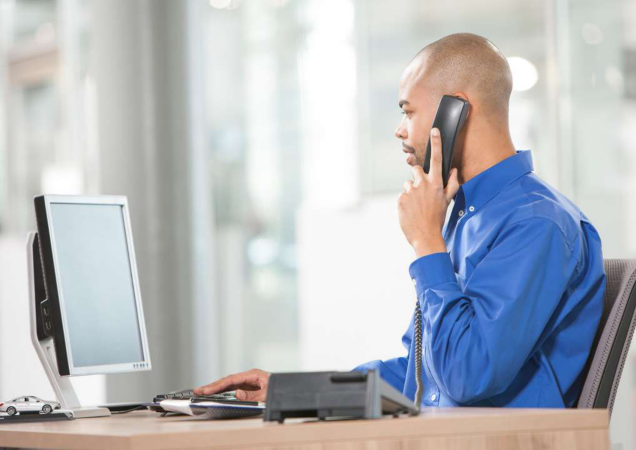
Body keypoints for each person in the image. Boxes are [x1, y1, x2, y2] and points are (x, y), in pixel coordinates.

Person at [194, 33, 606, 408]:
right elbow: (420, 375)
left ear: (457, 109)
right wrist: (291, 391)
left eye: (408, 112)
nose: (399, 130)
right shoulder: (468, 216)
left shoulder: (535, 223)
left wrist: (427, 242)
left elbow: (468, 376)